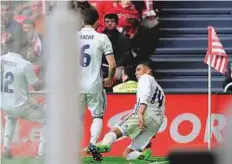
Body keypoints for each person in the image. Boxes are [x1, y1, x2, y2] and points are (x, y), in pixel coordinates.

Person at [97, 61, 165, 160]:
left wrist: (140, 113)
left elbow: (145, 96)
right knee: (127, 155)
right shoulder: (159, 89)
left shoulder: (145, 78)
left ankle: (105, 145)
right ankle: (140, 155)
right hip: (156, 121)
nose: (136, 73)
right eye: (135, 71)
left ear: (148, 71)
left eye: (139, 70)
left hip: (143, 113)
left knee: (114, 131)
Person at [77, 8, 116, 161]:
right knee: (97, 116)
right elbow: (112, 64)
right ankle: (92, 144)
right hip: (94, 84)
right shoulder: (102, 38)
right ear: (97, 22)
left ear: (81, 22)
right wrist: (110, 78)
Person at [1, 29, 45, 159]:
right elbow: (36, 86)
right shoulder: (24, 64)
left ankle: (6, 148)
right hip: (21, 104)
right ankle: (41, 154)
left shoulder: (1, 59)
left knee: (11, 117)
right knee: (48, 119)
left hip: (4, 103)